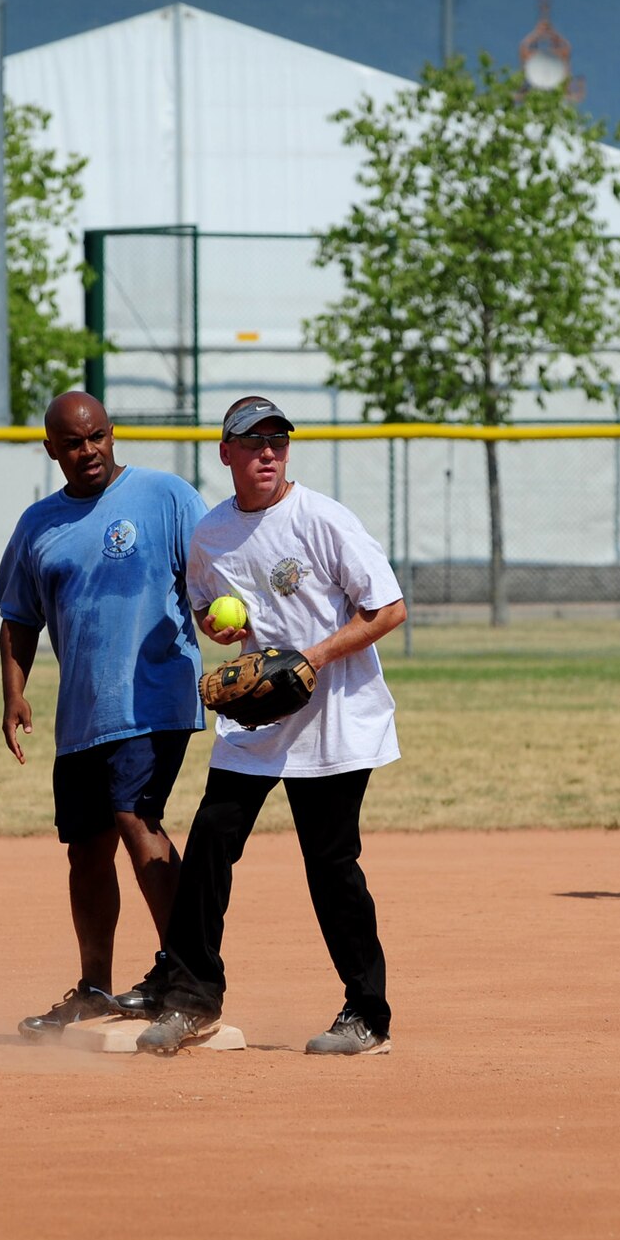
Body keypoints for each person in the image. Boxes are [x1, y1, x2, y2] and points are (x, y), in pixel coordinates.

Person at [137, 396, 407, 1057]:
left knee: (330, 864)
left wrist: (313, 657)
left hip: (336, 720)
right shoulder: (210, 534)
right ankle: (194, 999)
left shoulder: (322, 519)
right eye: (252, 442)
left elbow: (390, 608)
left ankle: (366, 1014)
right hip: (259, 719)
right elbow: (211, 611)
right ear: (224, 452)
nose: (267, 452)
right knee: (208, 847)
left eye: (277, 442)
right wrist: (219, 629)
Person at [0, 390, 209, 1040]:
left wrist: (236, 636)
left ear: (112, 434)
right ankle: (93, 988)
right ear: (51, 448)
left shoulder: (165, 496)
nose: (88, 451)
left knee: (135, 817)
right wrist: (13, 692)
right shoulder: (38, 524)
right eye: (73, 442)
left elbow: (217, 576)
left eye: (98, 437)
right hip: (82, 713)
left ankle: (190, 983)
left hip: (155, 699)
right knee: (86, 852)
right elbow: (18, 618)